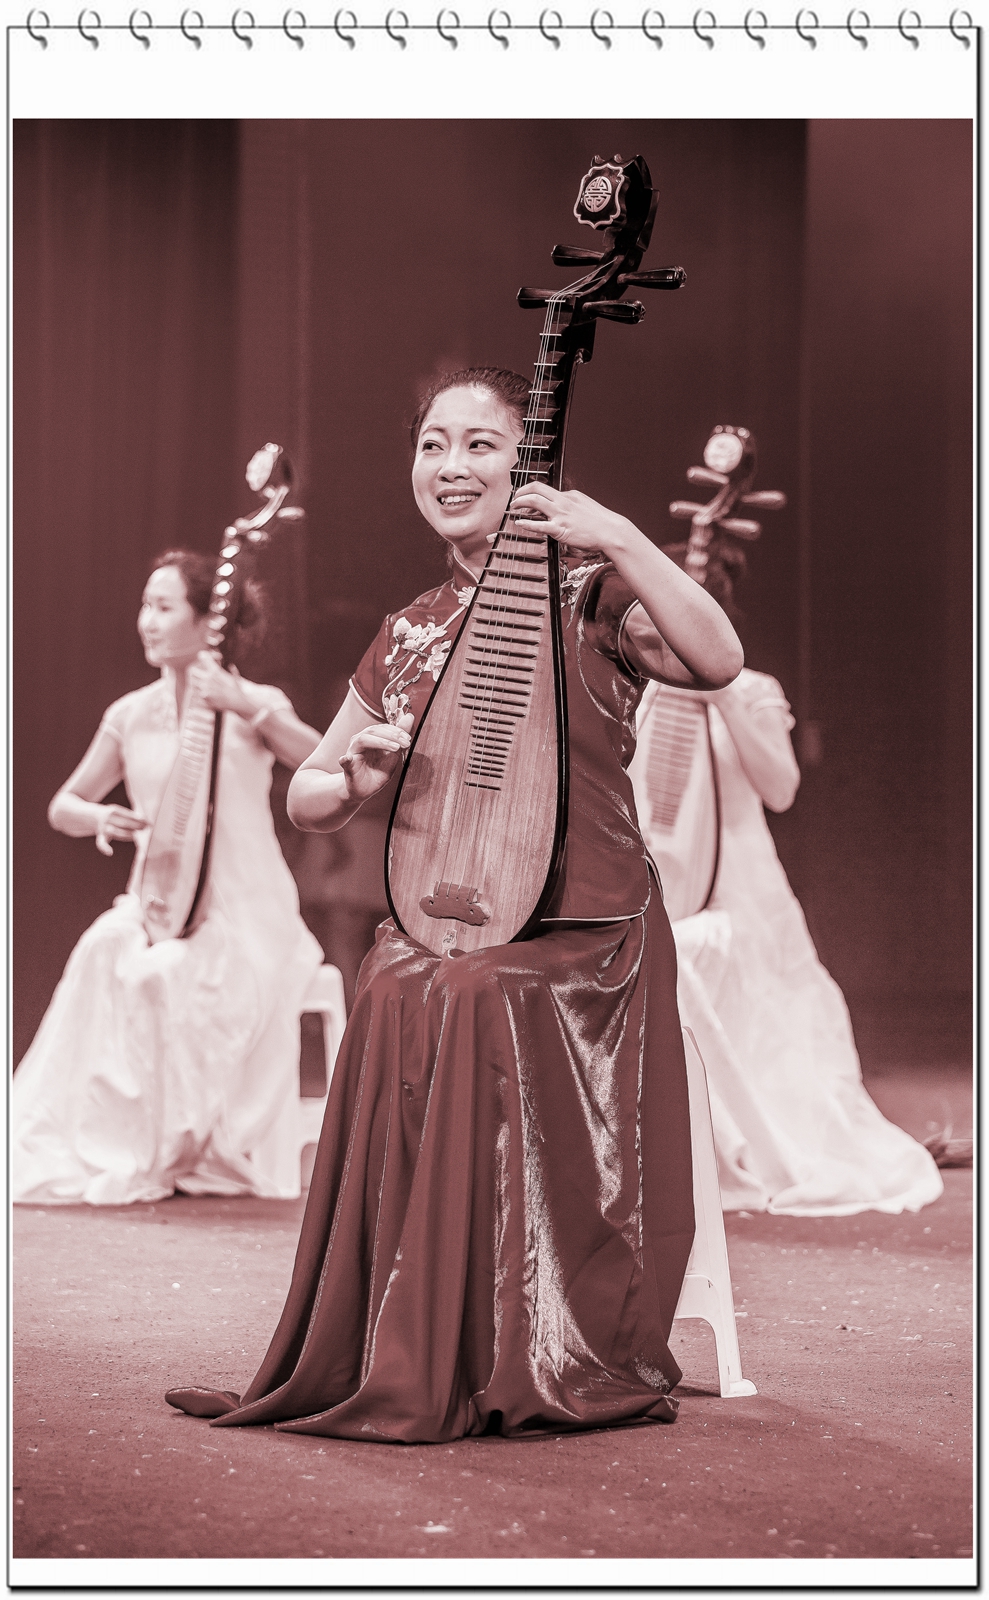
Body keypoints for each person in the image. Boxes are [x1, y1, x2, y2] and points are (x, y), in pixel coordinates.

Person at [164, 366, 744, 1443]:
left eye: (480, 444)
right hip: (454, 919)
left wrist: (617, 534)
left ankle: (519, 1337)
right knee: (393, 977)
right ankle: (406, 1336)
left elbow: (717, 659)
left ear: (528, 465)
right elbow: (308, 796)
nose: (450, 466)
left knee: (474, 990)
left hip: (584, 934)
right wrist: (353, 777)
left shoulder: (592, 593)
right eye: (432, 444)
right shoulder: (411, 629)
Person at [628, 546, 944, 1217]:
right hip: (663, 879)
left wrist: (721, 691)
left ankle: (763, 1149)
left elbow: (780, 788)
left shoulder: (750, 688)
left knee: (765, 1027)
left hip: (741, 886)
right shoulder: (639, 687)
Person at [11, 550, 325, 1206]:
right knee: (103, 947)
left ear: (209, 622)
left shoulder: (253, 702)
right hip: (159, 901)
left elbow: (322, 762)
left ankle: (173, 1147)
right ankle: (109, 1141)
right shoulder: (130, 713)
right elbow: (63, 806)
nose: (147, 622)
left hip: (244, 908)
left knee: (165, 973)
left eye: (163, 607)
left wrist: (246, 704)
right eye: (144, 606)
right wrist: (101, 817)